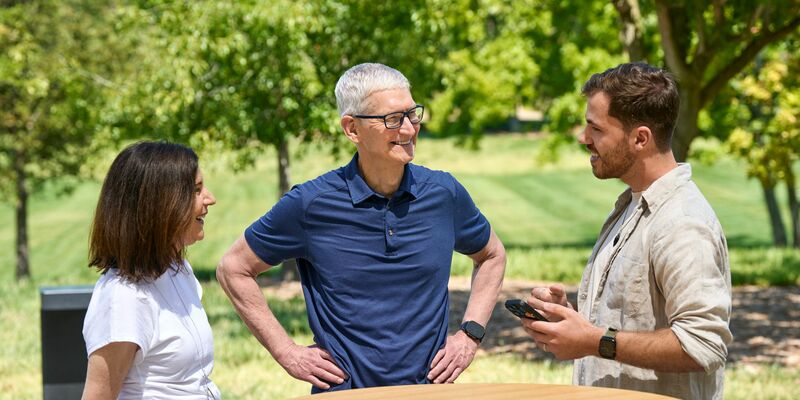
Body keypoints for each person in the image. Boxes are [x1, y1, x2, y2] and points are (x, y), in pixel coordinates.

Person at [216, 63, 506, 393]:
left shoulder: (443, 194)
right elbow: (234, 268)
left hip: (428, 392)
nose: (410, 130)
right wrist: (286, 351)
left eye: (413, 114)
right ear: (352, 129)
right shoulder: (310, 204)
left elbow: (492, 255)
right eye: (392, 120)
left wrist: (470, 334)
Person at [521, 62, 732, 400]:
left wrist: (593, 340)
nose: (583, 138)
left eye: (596, 129)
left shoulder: (682, 223)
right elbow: (629, 321)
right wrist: (573, 323)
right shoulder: (633, 205)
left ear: (640, 138)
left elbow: (703, 344)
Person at [82, 141, 220, 399]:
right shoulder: (124, 299)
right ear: (160, 206)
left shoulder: (176, 269)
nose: (210, 199)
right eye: (196, 190)